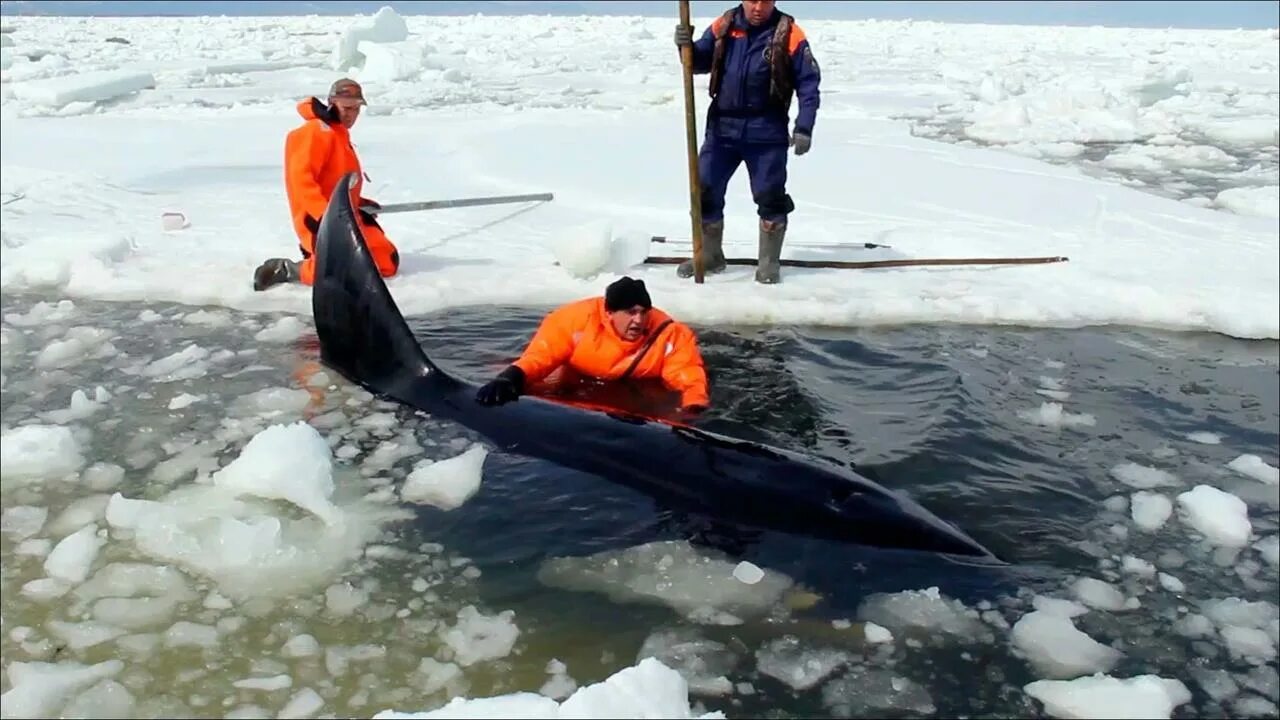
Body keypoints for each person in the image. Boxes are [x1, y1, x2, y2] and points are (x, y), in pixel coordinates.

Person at [673, 0, 821, 284]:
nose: (758, 7)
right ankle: (710, 255)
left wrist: (804, 126)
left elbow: (809, 85)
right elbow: (698, 63)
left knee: (769, 195)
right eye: (752, 0)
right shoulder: (724, 25)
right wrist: (684, 46)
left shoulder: (789, 33)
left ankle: (768, 263)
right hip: (722, 128)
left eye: (765, 1)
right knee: (704, 189)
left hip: (767, 129)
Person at [475, 277, 711, 414]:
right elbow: (541, 356)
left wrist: (693, 410)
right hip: (576, 378)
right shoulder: (574, 320)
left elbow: (689, 376)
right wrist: (509, 377)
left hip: (636, 391)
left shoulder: (670, 334)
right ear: (609, 312)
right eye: (630, 313)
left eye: (643, 312)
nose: (639, 320)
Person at [253, 78, 401, 291]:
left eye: (356, 109)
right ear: (332, 103)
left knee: (386, 261)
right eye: (346, 108)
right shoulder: (316, 132)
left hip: (345, 216)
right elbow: (301, 179)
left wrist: (359, 203)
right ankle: (288, 269)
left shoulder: (338, 134)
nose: (351, 114)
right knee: (339, 270)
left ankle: (320, 256)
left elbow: (337, 182)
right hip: (319, 220)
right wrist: (326, 217)